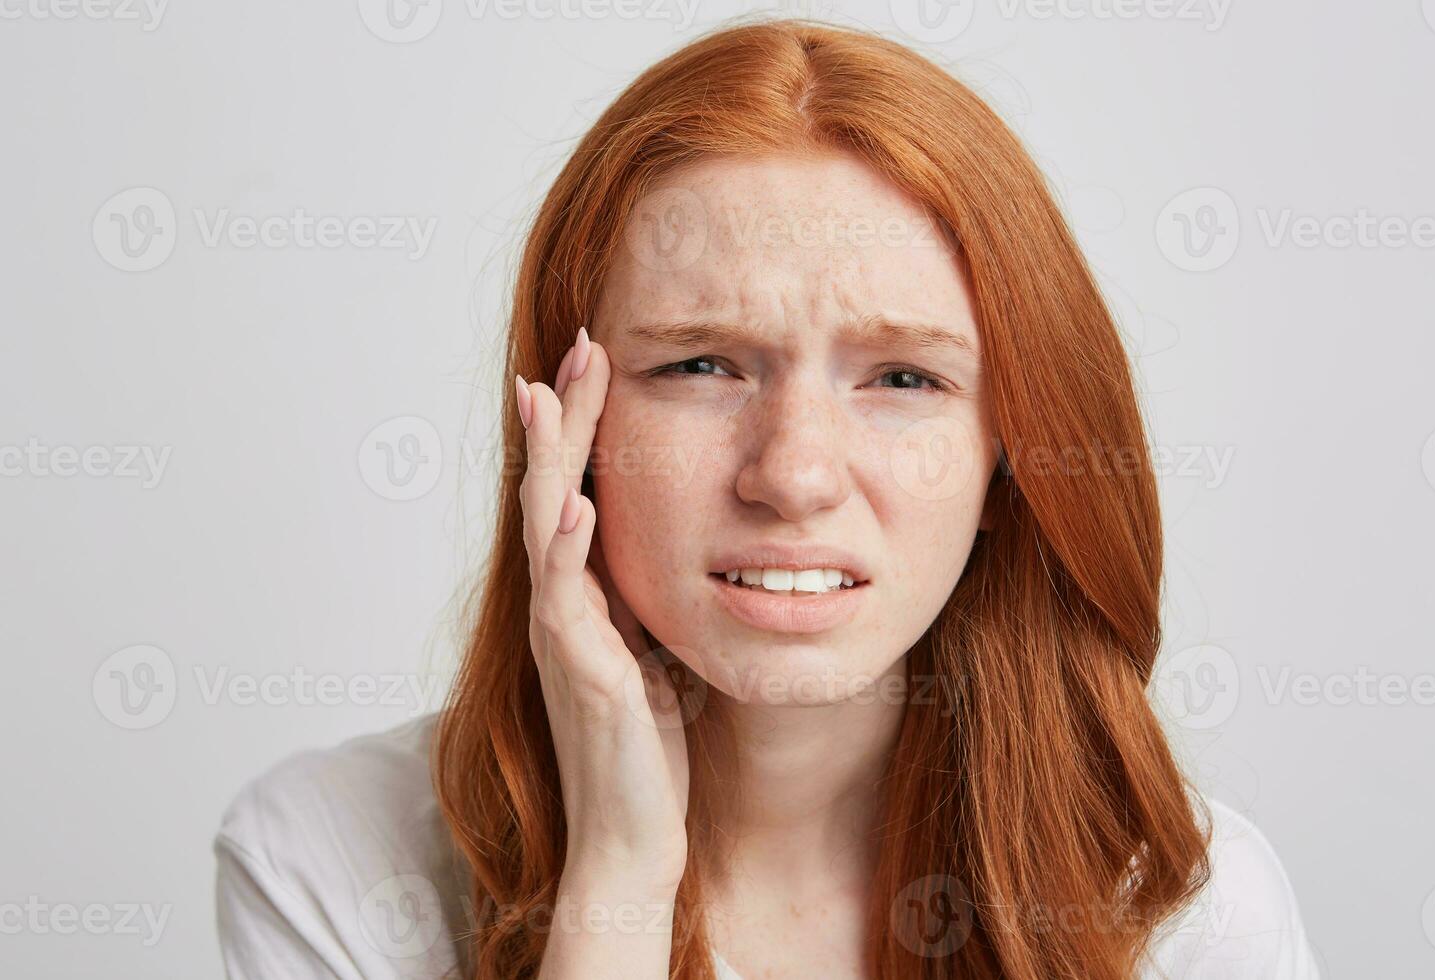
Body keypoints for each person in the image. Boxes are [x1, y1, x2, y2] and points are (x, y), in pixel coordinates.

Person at [215, 18, 1319, 979]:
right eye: (701, 366)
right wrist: (618, 880)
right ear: (568, 427)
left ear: (1010, 461)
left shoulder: (1187, 910)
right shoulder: (335, 857)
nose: (792, 474)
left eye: (903, 378)